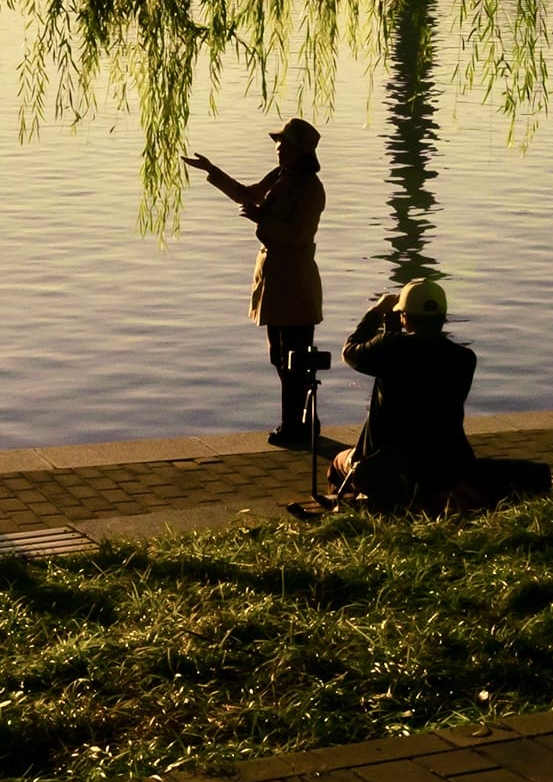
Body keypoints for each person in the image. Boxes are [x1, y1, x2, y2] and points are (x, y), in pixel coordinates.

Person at [183, 116, 326, 448]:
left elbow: (297, 235)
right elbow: (247, 195)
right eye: (278, 143)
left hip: (295, 284)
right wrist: (212, 171)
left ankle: (296, 426)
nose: (278, 149)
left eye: (284, 144)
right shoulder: (280, 175)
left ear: (301, 151)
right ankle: (302, 422)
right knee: (280, 357)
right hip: (275, 282)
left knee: (295, 360)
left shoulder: (310, 189)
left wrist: (263, 218)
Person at [334, 276, 476, 506]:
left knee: (338, 463)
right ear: (443, 317)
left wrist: (374, 312)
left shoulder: (389, 347)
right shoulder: (465, 359)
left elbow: (350, 352)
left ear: (405, 317)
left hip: (386, 463)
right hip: (442, 462)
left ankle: (350, 506)